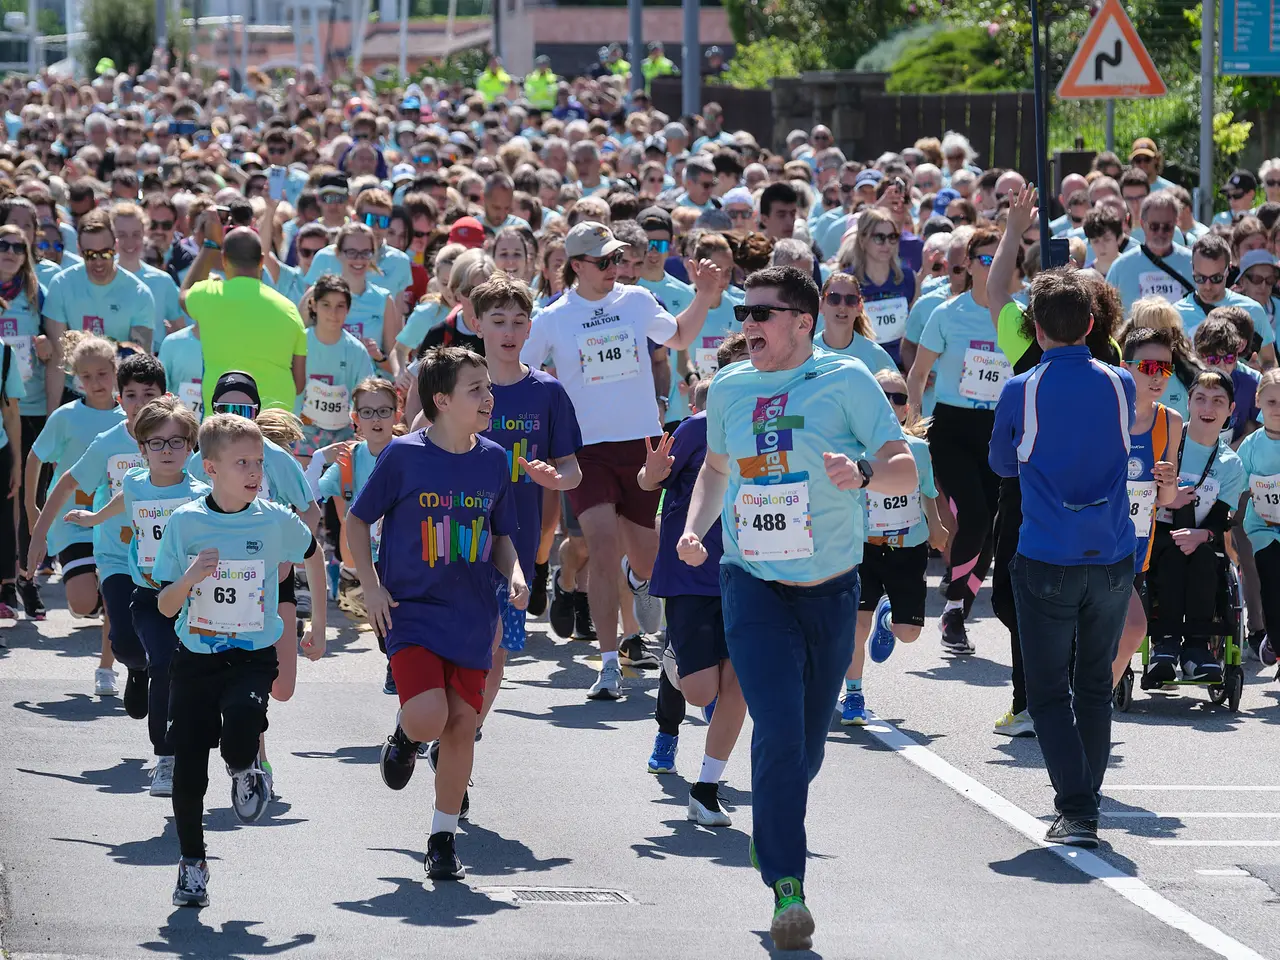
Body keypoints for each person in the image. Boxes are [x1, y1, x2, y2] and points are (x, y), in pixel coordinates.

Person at [677, 265, 917, 950]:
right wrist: (698, 525)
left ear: (803, 322)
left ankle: (773, 828)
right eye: (744, 311)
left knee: (806, 748)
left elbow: (902, 463)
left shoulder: (846, 380)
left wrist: (864, 471)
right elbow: (717, 470)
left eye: (762, 313)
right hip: (750, 583)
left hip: (832, 589)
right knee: (778, 732)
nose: (747, 323)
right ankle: (788, 887)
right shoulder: (728, 386)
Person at [519, 221, 719, 697]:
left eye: (616, 259)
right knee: (603, 548)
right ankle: (609, 663)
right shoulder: (553, 316)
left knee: (648, 561)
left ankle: (639, 577)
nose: (615, 268)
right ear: (577, 267)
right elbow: (521, 371)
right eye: (604, 261)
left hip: (641, 446)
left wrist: (705, 294)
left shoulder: (634, 301)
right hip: (585, 450)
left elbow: (679, 335)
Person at [350, 346, 527, 881]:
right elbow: (358, 523)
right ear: (442, 400)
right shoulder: (403, 457)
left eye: (488, 387)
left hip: (472, 616)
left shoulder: (495, 458)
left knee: (461, 725)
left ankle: (442, 837)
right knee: (429, 716)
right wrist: (372, 588)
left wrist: (514, 575)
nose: (488, 397)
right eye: (476, 389)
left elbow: (500, 536)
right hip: (412, 610)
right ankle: (405, 738)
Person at [988, 268, 1139, 850]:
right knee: (1093, 685)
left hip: (1048, 553)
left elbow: (1003, 464)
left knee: (1049, 690)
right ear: (1093, 324)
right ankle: (1083, 804)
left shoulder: (1020, 388)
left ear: (1034, 329)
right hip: (1110, 554)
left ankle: (1078, 807)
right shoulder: (1120, 382)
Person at [153, 413, 326, 908]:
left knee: (243, 727)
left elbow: (313, 554)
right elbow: (165, 605)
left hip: (252, 654)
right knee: (189, 767)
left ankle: (246, 765)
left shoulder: (273, 518)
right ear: (210, 467)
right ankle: (192, 864)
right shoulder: (185, 523)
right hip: (196, 655)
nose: (254, 472)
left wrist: (318, 625)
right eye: (242, 463)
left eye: (258, 462)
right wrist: (189, 578)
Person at [62, 395, 209, 797]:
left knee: (171, 667)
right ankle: (163, 744)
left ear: (191, 447)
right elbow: (126, 499)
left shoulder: (201, 493)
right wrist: (94, 518)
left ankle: (168, 758)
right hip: (146, 594)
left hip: (189, 601)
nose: (166, 450)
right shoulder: (135, 482)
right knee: (138, 652)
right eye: (156, 442)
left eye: (176, 441)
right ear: (141, 448)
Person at [468, 275, 582, 736]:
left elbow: (572, 469)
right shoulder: (457, 381)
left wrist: (556, 478)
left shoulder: (547, 392)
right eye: (498, 321)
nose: (509, 331)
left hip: (516, 537)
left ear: (531, 328)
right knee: (458, 640)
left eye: (518, 321)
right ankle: (432, 724)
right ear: (476, 324)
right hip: (455, 536)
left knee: (496, 648)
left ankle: (466, 733)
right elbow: (419, 439)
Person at [907, 228, 1010, 654]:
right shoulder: (947, 314)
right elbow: (916, 376)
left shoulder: (1016, 317)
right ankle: (953, 600)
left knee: (988, 527)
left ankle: (956, 611)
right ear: (967, 265)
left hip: (999, 429)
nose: (992, 267)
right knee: (974, 514)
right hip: (951, 427)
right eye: (984, 259)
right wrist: (911, 427)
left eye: (999, 259)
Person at [841, 368, 947, 725]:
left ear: (906, 409)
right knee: (856, 624)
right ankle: (853, 694)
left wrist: (937, 527)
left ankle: (889, 619)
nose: (890, 403)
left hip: (907, 549)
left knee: (909, 633)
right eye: (881, 396)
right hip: (864, 548)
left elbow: (927, 493)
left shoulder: (918, 450)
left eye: (898, 398)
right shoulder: (852, 448)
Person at [1146, 370, 1246, 683]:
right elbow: (1140, 492)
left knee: (1205, 559)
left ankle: (1197, 648)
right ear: (1188, 402)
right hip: (1160, 535)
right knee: (1173, 556)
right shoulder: (1168, 444)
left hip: (1204, 539)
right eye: (1200, 398)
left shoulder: (1231, 464)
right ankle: (1166, 644)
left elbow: (1221, 515)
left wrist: (1202, 534)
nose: (1208, 407)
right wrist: (1166, 501)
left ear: (1231, 410)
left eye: (1218, 401)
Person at [182, 220, 307, 413]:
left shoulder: (208, 294)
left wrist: (209, 246)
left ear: (223, 259)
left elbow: (184, 294)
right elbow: (299, 384)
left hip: (223, 421)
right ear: (262, 261)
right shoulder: (289, 309)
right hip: (275, 424)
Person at [42, 209, 155, 409]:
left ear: (116, 247)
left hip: (118, 396)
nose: (98, 262)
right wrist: (52, 415)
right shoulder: (61, 284)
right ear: (79, 250)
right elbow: (57, 359)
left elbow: (140, 360)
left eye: (105, 253)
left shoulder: (139, 293)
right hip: (74, 393)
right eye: (90, 255)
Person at [296, 274, 376, 457]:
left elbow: (366, 396)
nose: (333, 313)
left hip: (341, 435)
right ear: (314, 305)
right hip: (301, 434)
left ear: (348, 309)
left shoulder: (357, 350)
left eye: (340, 306)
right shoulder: (299, 344)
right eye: (326, 305)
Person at [1237, 367, 1280, 667]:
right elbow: (1238, 489)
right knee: (1273, 582)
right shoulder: (1251, 445)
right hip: (1262, 530)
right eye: (1272, 402)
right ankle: (1275, 640)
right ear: (1259, 402)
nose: (1278, 410)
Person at [1105, 193, 1193, 314]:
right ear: (1142, 224)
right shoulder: (1120, 267)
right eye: (1154, 226)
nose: (1161, 232)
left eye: (1167, 227)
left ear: (1176, 224)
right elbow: (1107, 313)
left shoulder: (1193, 263)